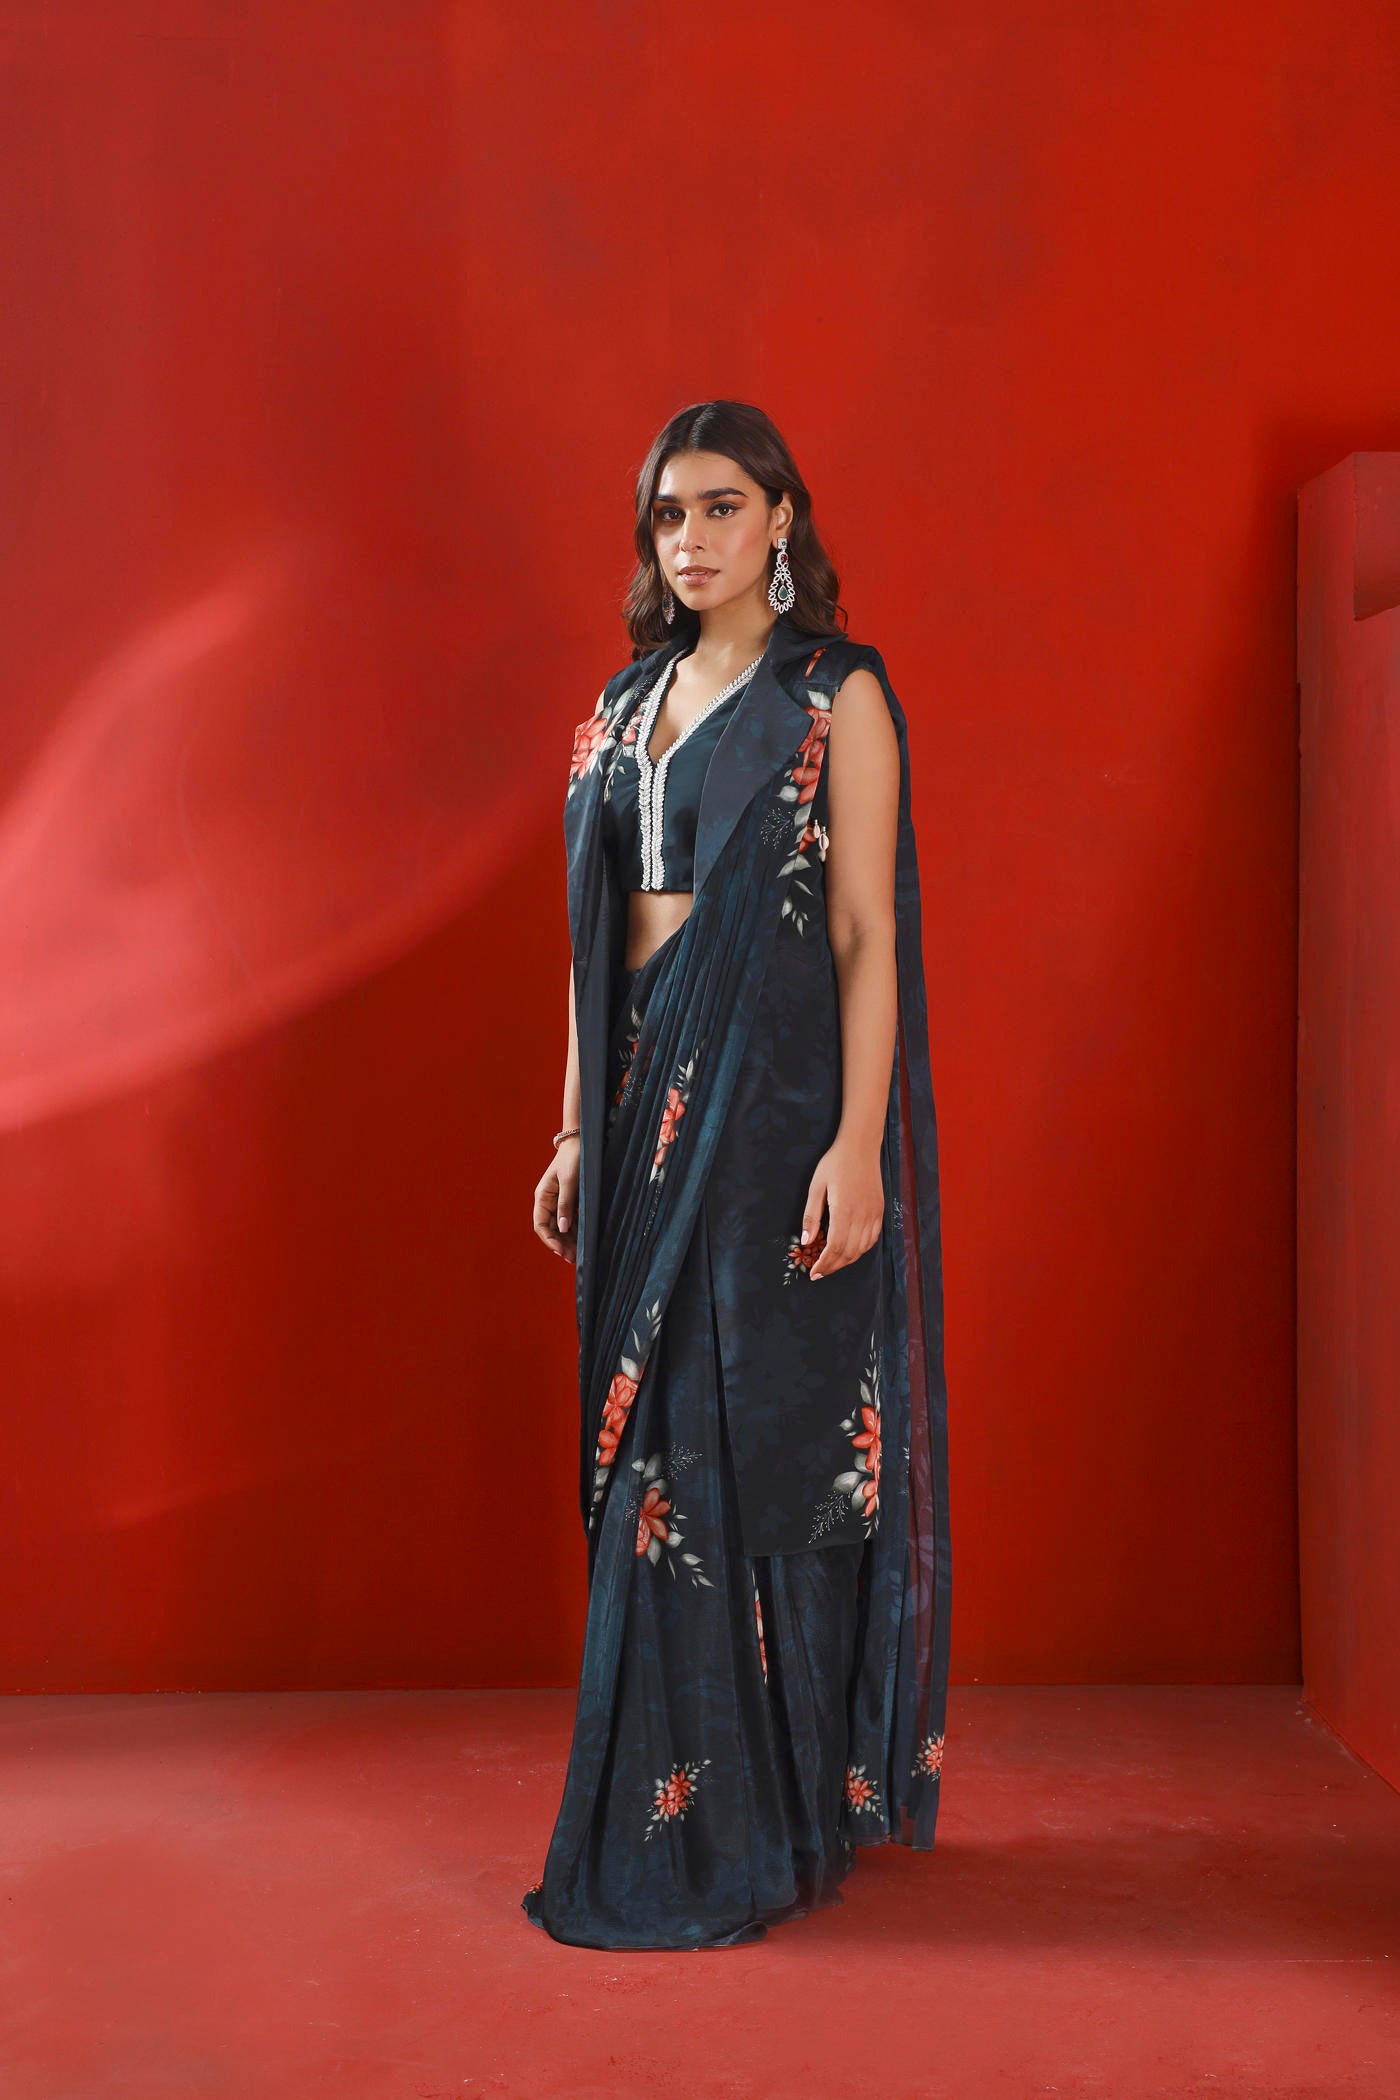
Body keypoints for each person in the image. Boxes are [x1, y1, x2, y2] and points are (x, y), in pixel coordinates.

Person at [521, 398, 950, 1950]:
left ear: (780, 518)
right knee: (645, 1453)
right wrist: (576, 1128)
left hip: (771, 1110)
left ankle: (769, 1811)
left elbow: (864, 930)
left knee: (756, 1439)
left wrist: (857, 1145)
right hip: (638, 1098)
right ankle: (672, 1801)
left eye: (719, 507)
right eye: (668, 514)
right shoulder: (624, 702)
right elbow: (588, 944)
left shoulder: (835, 693)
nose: (690, 538)